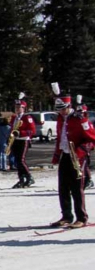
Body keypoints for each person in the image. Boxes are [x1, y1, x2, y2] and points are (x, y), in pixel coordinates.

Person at [50, 85, 95, 228]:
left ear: (69, 106)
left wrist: (80, 152)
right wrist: (57, 155)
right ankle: (66, 216)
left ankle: (81, 217)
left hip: (77, 156)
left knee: (77, 188)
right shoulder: (60, 119)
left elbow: (92, 139)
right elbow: (60, 139)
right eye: (59, 110)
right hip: (65, 155)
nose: (61, 112)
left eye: (63, 109)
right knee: (63, 187)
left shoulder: (80, 119)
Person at [9, 93, 36, 188]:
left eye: (19, 107)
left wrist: (21, 133)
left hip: (23, 140)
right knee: (17, 161)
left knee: (21, 160)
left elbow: (32, 131)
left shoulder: (27, 117)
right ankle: (21, 179)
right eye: (16, 106)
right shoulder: (14, 118)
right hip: (15, 140)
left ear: (23, 108)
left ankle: (29, 177)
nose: (17, 108)